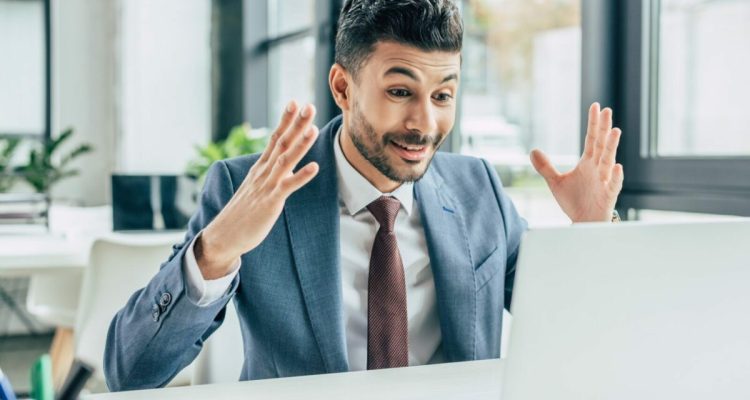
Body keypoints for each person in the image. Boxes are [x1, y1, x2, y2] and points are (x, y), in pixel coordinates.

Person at [104, 0, 623, 391]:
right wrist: (216, 251)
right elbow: (131, 373)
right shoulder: (251, 191)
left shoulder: (478, 190)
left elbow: (576, 344)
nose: (424, 123)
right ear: (343, 87)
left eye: (443, 95)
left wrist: (592, 236)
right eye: (400, 92)